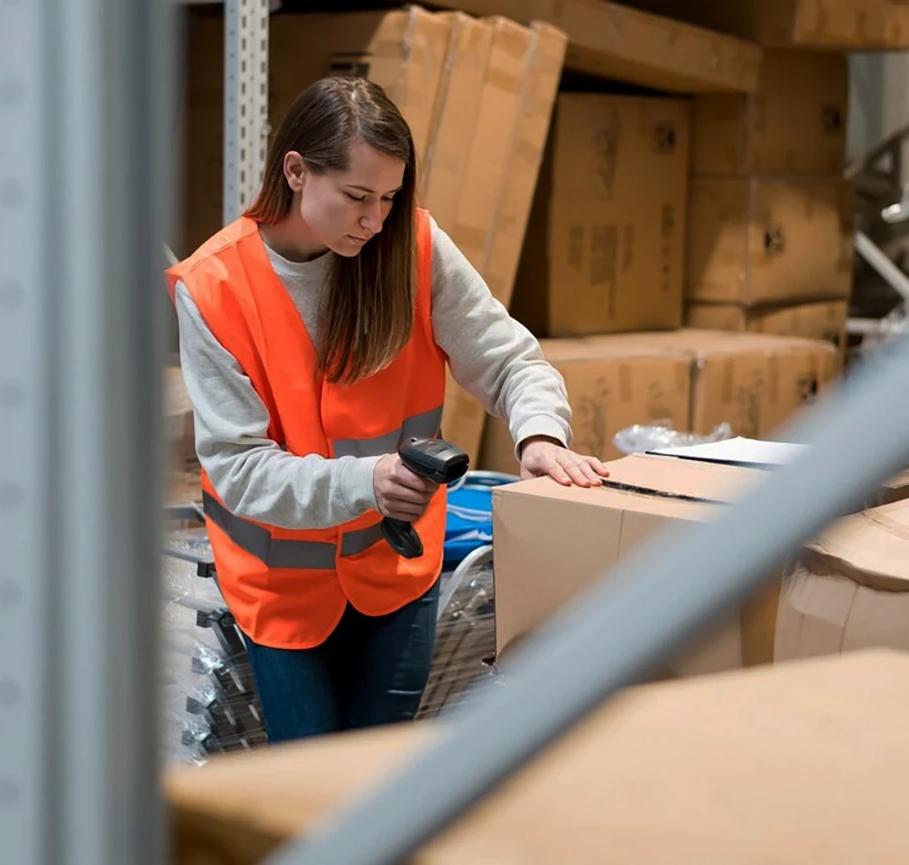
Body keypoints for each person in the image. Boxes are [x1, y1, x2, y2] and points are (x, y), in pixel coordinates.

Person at [164, 76, 608, 744]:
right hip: (282, 590)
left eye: (391, 199)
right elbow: (241, 469)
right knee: (311, 795)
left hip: (395, 573)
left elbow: (510, 358)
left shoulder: (411, 247)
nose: (376, 221)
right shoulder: (214, 288)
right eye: (358, 198)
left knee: (378, 783)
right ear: (295, 171)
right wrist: (367, 482)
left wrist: (539, 434)